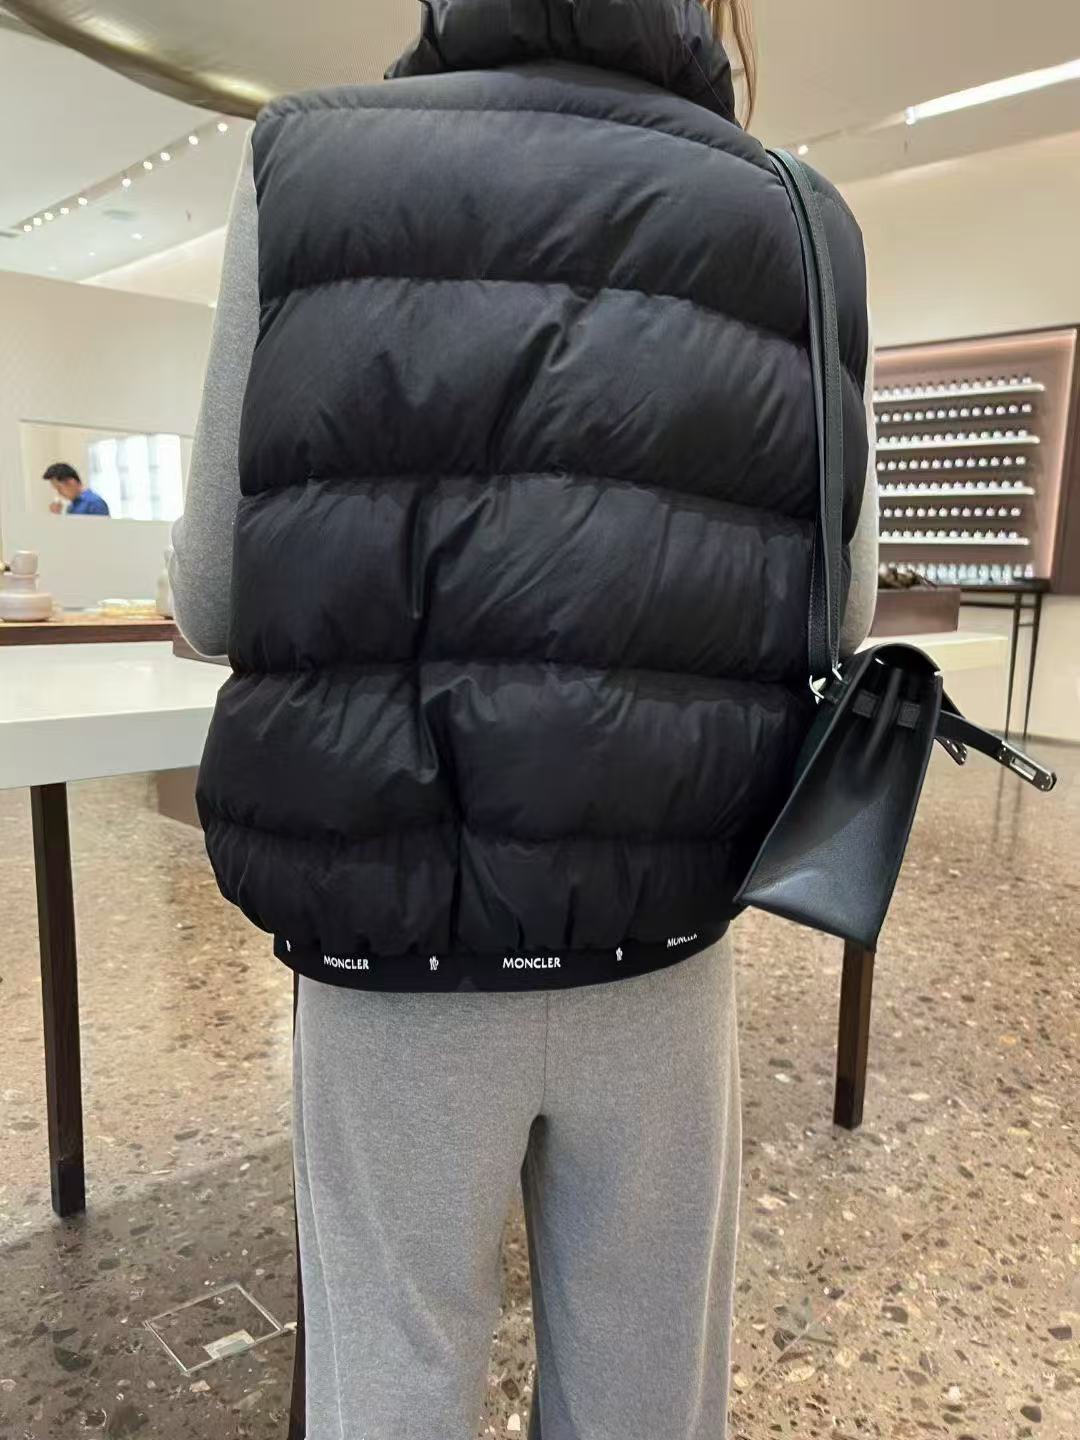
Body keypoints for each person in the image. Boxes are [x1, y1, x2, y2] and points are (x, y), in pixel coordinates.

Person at [171, 1, 877, 1435]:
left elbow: (215, 600)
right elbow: (839, 617)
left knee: (391, 1384)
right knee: (645, 1393)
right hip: (661, 933)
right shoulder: (800, 215)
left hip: (390, 933)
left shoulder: (307, 162)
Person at [43, 461, 110, 516]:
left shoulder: (94, 503)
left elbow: (102, 528)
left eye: (59, 488)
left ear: (71, 482)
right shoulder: (71, 506)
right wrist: (56, 515)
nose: (59, 493)